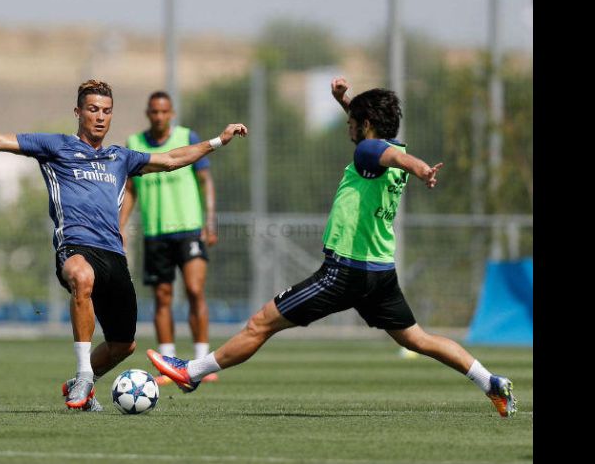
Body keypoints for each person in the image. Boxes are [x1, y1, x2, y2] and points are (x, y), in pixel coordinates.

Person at [147, 77, 517, 418]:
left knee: (261, 322)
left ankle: (191, 372)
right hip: (380, 273)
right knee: (419, 339)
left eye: (351, 120)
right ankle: (490, 381)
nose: (347, 126)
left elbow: (384, 153)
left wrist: (418, 167)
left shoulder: (375, 153)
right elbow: (382, 144)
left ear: (366, 124)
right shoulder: (387, 143)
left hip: (345, 273)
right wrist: (346, 101)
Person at [0, 79, 248, 411]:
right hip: (74, 247)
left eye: (107, 110)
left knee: (123, 344)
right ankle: (85, 374)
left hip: (113, 256)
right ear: (78, 112)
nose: (100, 116)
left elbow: (172, 159)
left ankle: (79, 382)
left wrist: (219, 140)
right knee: (81, 278)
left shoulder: (121, 157)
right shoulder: (55, 147)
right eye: (93, 109)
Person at [119, 91, 218, 385]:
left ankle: (202, 362)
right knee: (162, 297)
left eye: (164, 112)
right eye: (154, 112)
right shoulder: (135, 145)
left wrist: (210, 219)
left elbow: (205, 180)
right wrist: (119, 226)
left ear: (171, 113)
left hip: (189, 228)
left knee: (194, 289)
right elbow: (132, 190)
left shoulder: (187, 136)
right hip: (155, 233)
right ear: (148, 114)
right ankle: (167, 364)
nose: (159, 117)